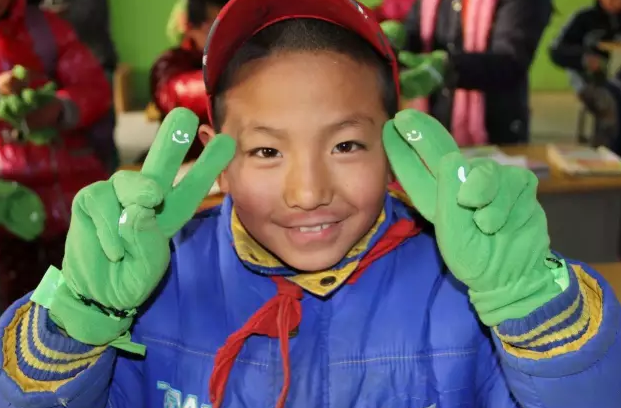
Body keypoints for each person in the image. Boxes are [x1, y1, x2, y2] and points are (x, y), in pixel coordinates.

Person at [1, 0, 620, 407]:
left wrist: (531, 305)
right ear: (217, 160)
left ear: (395, 145)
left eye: (346, 145)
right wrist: (78, 321)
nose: (308, 193)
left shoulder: (462, 285)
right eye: (267, 151)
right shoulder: (155, 285)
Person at [0, 0, 111, 309]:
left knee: (88, 306)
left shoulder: (48, 30)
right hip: (8, 218)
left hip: (70, 205)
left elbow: (95, 89)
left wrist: (59, 108)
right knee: (16, 314)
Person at [399, 0, 553, 146]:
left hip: (494, 135)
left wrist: (447, 68)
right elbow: (417, 31)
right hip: (432, 127)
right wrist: (398, 39)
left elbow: (510, 62)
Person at [149, 0, 227, 160]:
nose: (223, 34)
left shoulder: (239, 59)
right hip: (184, 162)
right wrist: (235, 85)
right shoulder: (170, 63)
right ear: (191, 27)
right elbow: (174, 91)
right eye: (213, 26)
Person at [549, 0, 621, 151]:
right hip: (590, 82)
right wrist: (584, 59)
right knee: (610, 102)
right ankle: (606, 154)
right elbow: (556, 50)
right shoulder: (584, 18)